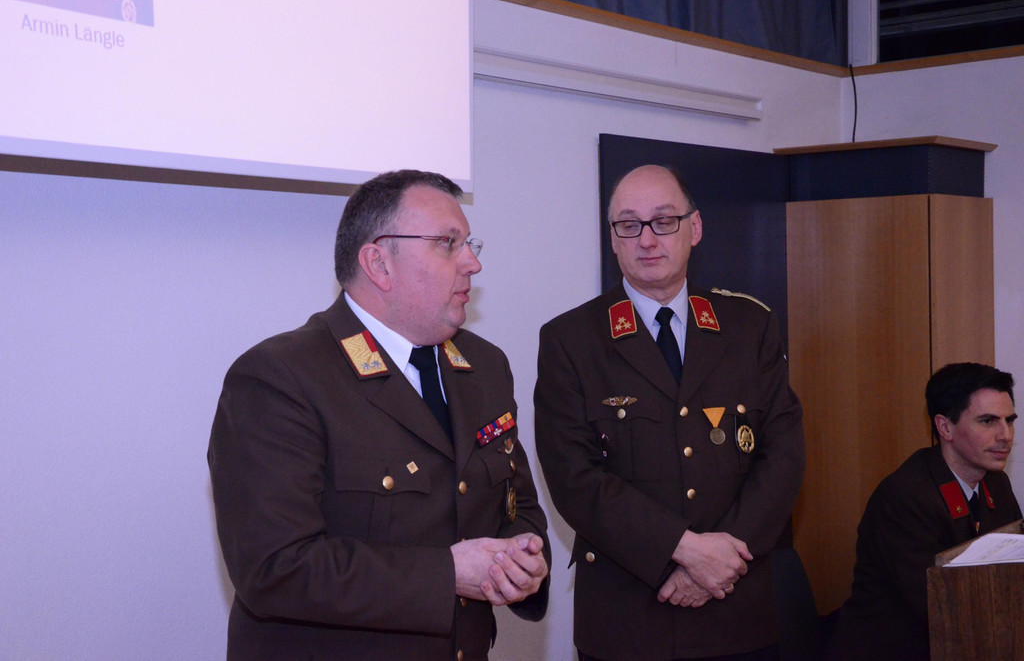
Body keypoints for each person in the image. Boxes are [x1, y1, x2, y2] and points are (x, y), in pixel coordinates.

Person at [208, 170, 549, 661]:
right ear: (378, 263)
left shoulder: (485, 366)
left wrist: (523, 560)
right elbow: (275, 568)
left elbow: (517, 507)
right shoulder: (280, 377)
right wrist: (449, 574)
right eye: (447, 243)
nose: (472, 263)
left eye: (469, 243)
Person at [534, 164, 805, 660]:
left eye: (663, 221)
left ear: (694, 228)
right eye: (628, 225)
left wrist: (721, 560)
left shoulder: (749, 326)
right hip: (628, 617)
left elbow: (783, 455)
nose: (646, 239)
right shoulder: (571, 340)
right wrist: (684, 550)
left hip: (736, 609)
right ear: (613, 239)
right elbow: (575, 478)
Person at [827, 362, 1021, 661]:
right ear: (945, 427)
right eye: (987, 421)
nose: (1005, 435)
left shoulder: (996, 483)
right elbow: (940, 605)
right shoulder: (905, 496)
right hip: (898, 649)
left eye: (1009, 420)